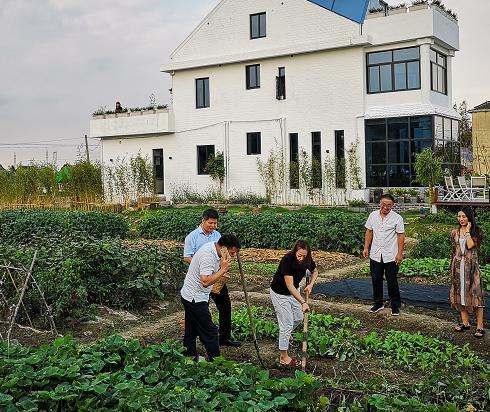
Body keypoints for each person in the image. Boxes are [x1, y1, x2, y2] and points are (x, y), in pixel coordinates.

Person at [184, 209, 241, 347]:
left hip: (217, 277)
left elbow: (223, 254)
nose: (213, 226)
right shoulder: (192, 237)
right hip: (201, 279)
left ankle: (225, 337)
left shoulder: (217, 235)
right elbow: (187, 257)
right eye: (210, 223)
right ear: (203, 220)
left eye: (215, 223)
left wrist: (224, 265)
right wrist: (203, 266)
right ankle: (202, 338)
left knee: (225, 305)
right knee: (201, 308)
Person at [270, 240, 318, 366]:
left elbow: (315, 271)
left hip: (293, 291)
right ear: (295, 251)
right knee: (287, 324)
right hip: (280, 293)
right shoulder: (287, 260)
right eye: (299, 255)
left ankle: (285, 336)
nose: (301, 258)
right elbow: (289, 286)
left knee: (298, 318)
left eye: (304, 256)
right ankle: (283, 357)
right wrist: (303, 302)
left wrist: (311, 285)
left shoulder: (307, 260)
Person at [363, 193, 405, 316]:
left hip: (391, 255)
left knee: (392, 281)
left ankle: (395, 305)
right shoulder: (373, 215)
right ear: (380, 203)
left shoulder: (397, 218)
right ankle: (378, 303)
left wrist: (399, 253)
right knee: (376, 280)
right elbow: (369, 231)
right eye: (383, 204)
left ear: (393, 206)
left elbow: (401, 236)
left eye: (388, 205)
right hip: (376, 254)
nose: (385, 207)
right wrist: (366, 247)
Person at [450, 206, 485, 338]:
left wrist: (468, 231)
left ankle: (480, 326)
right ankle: (465, 323)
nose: (461, 219)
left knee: (476, 295)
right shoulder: (455, 232)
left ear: (469, 217)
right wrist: (452, 266)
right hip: (458, 266)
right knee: (459, 294)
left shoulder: (476, 232)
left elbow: (470, 245)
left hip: (471, 267)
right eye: (459, 216)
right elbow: (454, 250)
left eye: (464, 216)